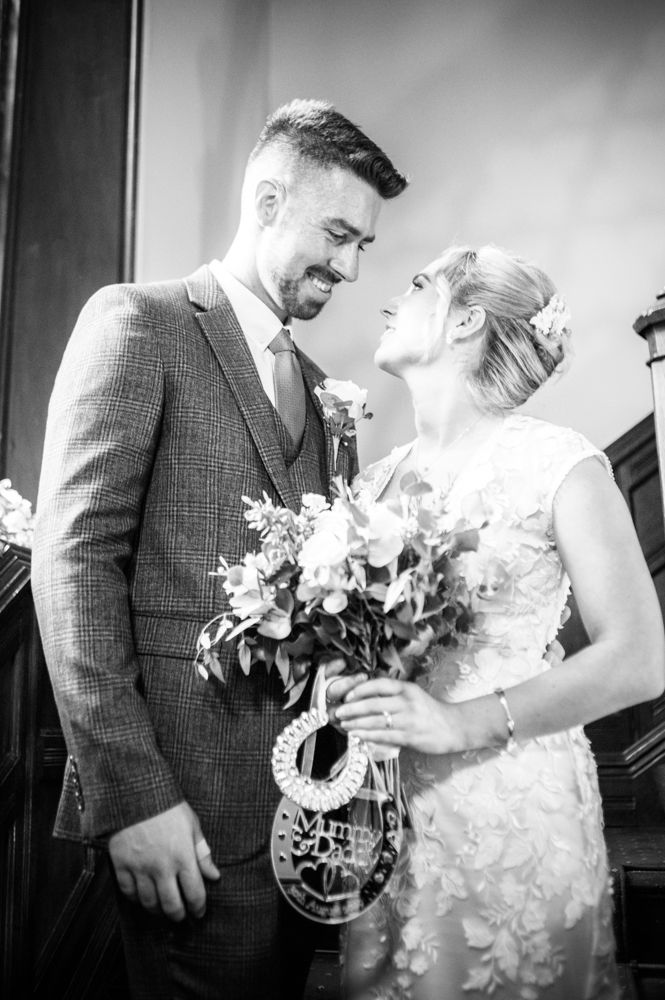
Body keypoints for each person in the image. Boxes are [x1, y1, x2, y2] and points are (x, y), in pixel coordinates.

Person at [31, 99, 407, 1000]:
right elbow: (74, 560)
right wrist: (131, 798)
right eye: (339, 233)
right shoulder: (139, 324)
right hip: (177, 813)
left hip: (297, 826)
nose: (352, 266)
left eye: (365, 246)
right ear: (268, 199)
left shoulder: (322, 391)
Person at [329, 245, 665, 999]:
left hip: (511, 804)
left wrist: (464, 723)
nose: (392, 297)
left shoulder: (558, 465)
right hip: (386, 816)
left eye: (419, 285)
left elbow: (640, 657)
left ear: (467, 319)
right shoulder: (373, 480)